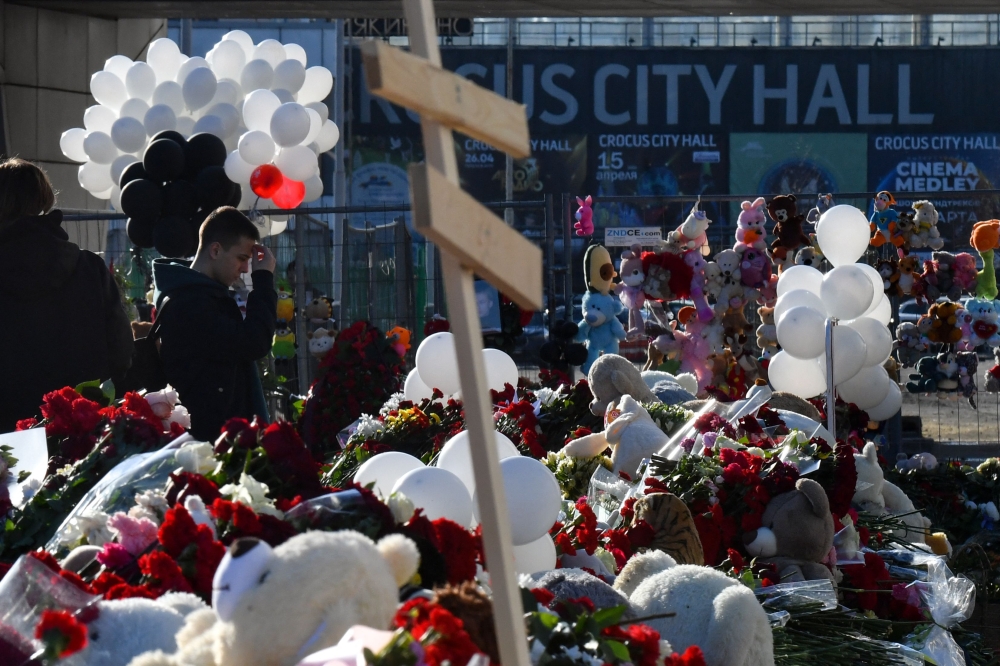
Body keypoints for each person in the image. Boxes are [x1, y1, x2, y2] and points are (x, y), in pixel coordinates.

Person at [0, 158, 134, 431]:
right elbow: (121, 352)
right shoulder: (89, 267)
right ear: (43, 200)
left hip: (8, 437)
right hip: (81, 426)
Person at [152, 206, 277, 441]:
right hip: (207, 440)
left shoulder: (197, 295)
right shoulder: (192, 303)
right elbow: (253, 342)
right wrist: (263, 282)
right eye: (242, 258)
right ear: (216, 250)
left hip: (212, 435)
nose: (245, 269)